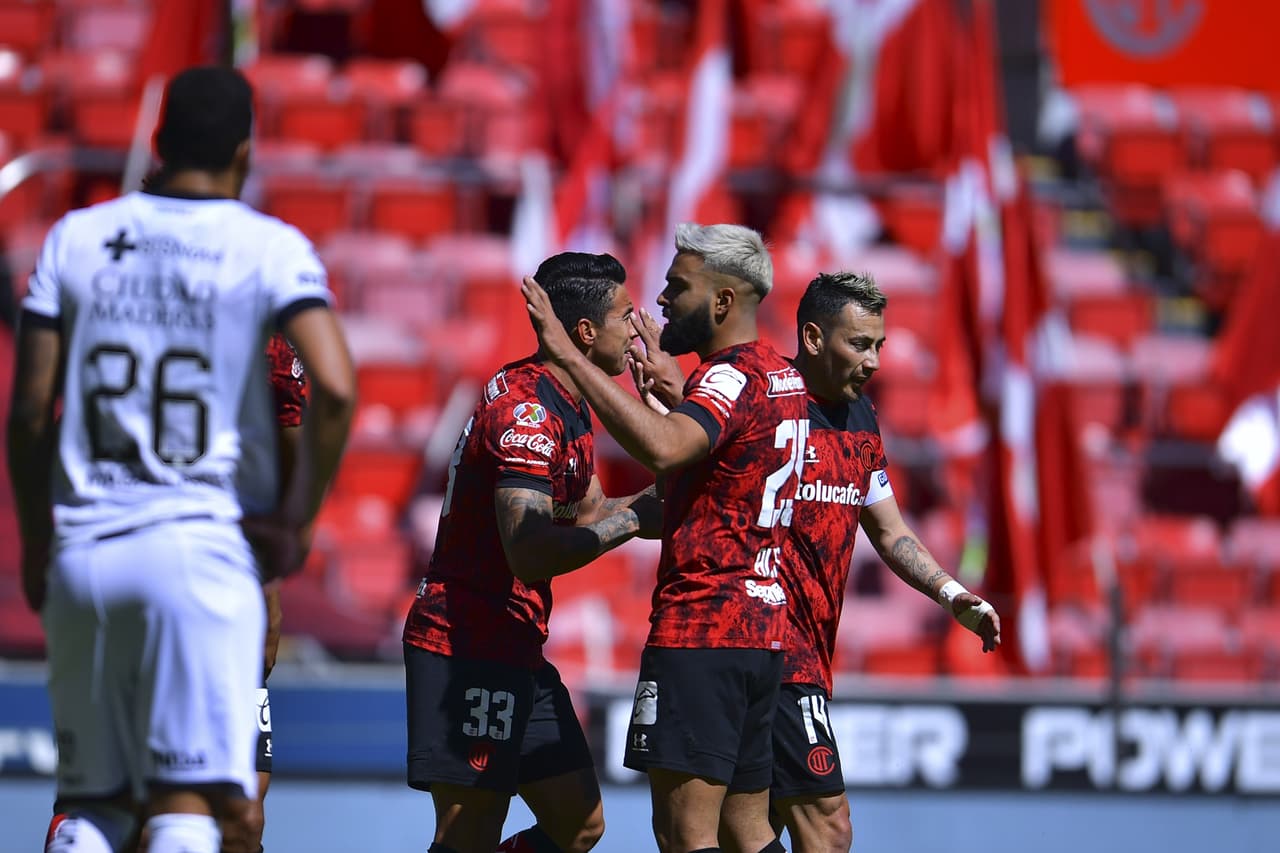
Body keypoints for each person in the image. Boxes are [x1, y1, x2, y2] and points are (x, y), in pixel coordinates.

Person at [7, 65, 355, 853]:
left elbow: (29, 412)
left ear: (157, 143)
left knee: (92, 795)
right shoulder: (268, 250)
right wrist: (295, 520)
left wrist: (36, 538)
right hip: (203, 558)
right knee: (187, 803)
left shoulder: (79, 237)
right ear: (245, 152)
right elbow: (333, 386)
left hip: (91, 550)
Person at [630, 271, 1002, 852]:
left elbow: (890, 530)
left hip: (800, 654)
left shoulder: (862, 422)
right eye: (860, 343)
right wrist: (667, 397)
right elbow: (692, 454)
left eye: (879, 344)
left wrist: (953, 594)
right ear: (811, 337)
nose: (875, 360)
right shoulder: (762, 395)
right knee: (826, 826)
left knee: (747, 832)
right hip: (765, 641)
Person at [521, 223, 808, 853]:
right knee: (746, 831)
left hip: (704, 631)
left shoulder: (726, 380)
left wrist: (570, 358)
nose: (660, 302)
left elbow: (664, 446)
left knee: (684, 834)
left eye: (677, 287)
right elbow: (714, 459)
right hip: (761, 636)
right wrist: (672, 396)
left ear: (722, 302)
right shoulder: (778, 378)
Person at [401, 251, 662, 853]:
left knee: (579, 823)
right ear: (586, 332)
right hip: (465, 643)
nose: (637, 327)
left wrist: (672, 496)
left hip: (516, 640)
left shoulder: (569, 403)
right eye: (626, 315)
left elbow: (592, 509)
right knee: (469, 831)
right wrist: (634, 524)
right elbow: (527, 549)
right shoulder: (529, 411)